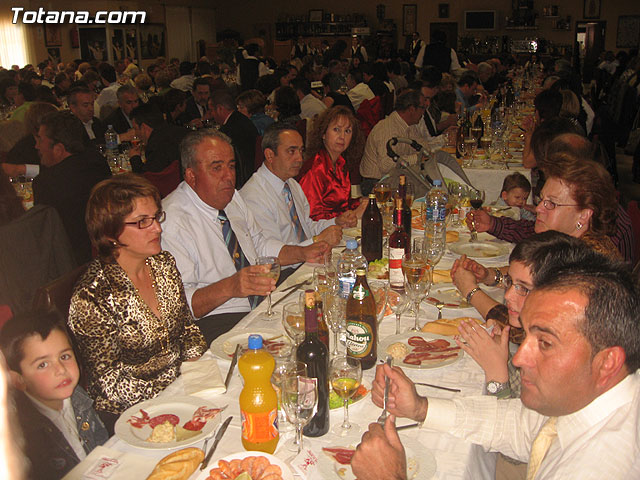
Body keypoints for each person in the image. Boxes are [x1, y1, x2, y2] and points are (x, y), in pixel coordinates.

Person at [353, 250, 640, 480]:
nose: (518, 358)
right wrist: (420, 408)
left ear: (607, 363)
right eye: (527, 335)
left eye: (545, 344)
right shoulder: (586, 400)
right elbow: (521, 425)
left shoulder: (600, 466)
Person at [161, 129, 327, 342]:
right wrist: (231, 286)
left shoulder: (232, 198)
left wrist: (303, 252)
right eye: (216, 168)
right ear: (191, 175)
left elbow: (259, 243)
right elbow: (179, 304)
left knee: (319, 309)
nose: (228, 176)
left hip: (257, 299)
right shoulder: (172, 222)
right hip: (216, 317)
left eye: (231, 166)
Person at [68, 174, 207, 430]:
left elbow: (188, 330)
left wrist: (200, 375)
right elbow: (109, 383)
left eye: (156, 217)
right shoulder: (93, 296)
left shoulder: (163, 264)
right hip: (130, 414)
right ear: (110, 233)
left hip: (182, 390)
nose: (157, 228)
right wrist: (173, 396)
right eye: (142, 222)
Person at [1, 309, 109, 479]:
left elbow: (102, 446)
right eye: (43, 364)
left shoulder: (78, 398)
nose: (61, 370)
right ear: (19, 380)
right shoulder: (26, 433)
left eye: (65, 356)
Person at [470, 148, 621, 259]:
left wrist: (472, 292)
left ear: (584, 215)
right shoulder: (564, 239)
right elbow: (529, 232)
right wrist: (492, 224)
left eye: (552, 203)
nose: (539, 208)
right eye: (541, 199)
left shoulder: (582, 260)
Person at [240, 123, 356, 253]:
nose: (299, 158)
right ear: (270, 155)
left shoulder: (291, 184)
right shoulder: (254, 196)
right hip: (284, 269)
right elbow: (271, 254)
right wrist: (316, 241)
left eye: (301, 151)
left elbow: (307, 226)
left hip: (305, 259)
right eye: (291, 151)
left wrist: (336, 222)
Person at [33, 110, 111, 264]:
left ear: (59, 149)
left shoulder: (45, 183)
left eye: (40, 140)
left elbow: (44, 233)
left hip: (73, 263)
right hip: (106, 248)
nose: (36, 146)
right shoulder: (97, 162)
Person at [359, 89, 434, 194]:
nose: (423, 112)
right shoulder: (387, 129)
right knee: (426, 193)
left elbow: (425, 147)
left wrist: (421, 155)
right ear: (411, 109)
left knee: (430, 187)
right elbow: (386, 165)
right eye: (422, 108)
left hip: (395, 178)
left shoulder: (410, 126)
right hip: (376, 184)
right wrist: (417, 157)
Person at [299, 106, 366, 220]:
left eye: (347, 131)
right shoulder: (315, 169)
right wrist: (353, 214)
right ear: (323, 134)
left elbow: (341, 204)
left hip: (336, 229)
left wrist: (360, 202)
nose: (342, 137)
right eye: (336, 129)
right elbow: (311, 217)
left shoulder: (340, 164)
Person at [208, 89, 258, 188]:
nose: (211, 115)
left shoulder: (227, 132)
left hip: (240, 181)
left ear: (219, 109)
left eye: (211, 110)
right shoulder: (242, 119)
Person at [128, 103, 188, 174]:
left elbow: (145, 179)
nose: (135, 133)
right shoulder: (181, 131)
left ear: (144, 127)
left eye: (135, 129)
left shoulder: (156, 146)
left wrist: (135, 158)